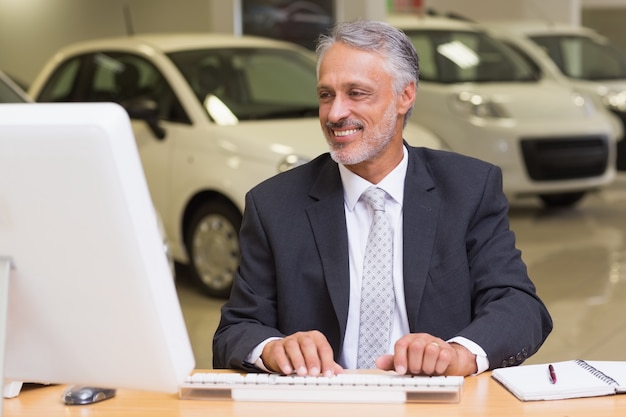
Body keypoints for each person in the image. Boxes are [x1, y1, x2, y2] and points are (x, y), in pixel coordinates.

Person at [212, 20, 552, 377]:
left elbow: (520, 306)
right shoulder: (274, 205)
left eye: (356, 93)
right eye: (326, 95)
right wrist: (271, 348)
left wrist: (458, 354)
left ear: (405, 95)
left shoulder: (469, 189)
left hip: (433, 403)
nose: (334, 113)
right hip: (322, 403)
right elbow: (236, 330)